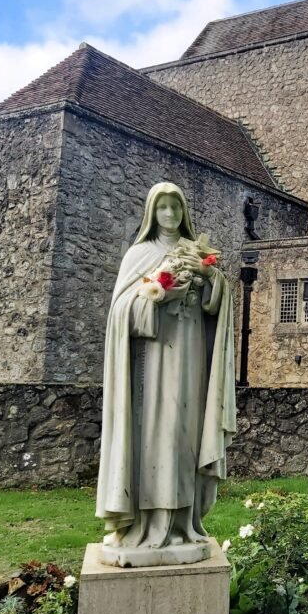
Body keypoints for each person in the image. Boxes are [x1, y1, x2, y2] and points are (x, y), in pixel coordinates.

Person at [95, 182, 236, 567]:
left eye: (176, 207)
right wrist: (157, 292)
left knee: (183, 434)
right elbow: (120, 313)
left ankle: (182, 524)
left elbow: (217, 308)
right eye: (163, 208)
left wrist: (210, 281)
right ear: (152, 213)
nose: (170, 214)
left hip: (189, 358)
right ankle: (143, 524)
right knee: (152, 436)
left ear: (184, 211)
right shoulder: (138, 255)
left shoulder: (198, 253)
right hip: (151, 364)